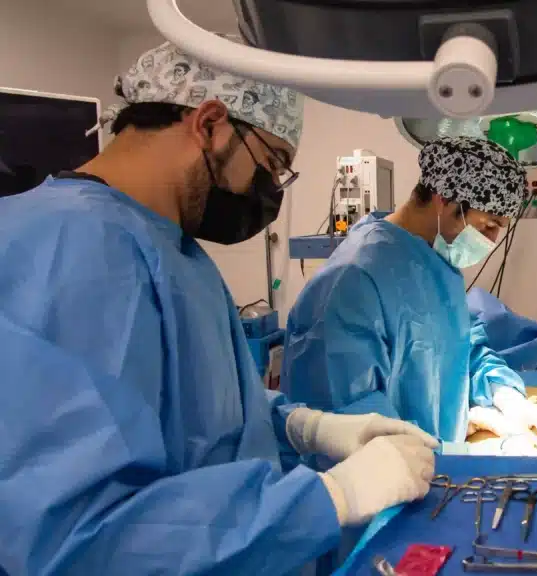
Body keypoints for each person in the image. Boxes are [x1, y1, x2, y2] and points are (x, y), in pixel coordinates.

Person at [0, 42, 438, 575]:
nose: (270, 190)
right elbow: (78, 542)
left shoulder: (173, 249)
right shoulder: (69, 248)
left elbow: (204, 420)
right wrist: (330, 497)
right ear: (209, 123)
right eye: (272, 164)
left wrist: (306, 428)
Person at [282, 136, 537, 448]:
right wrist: (438, 449)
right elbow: (346, 423)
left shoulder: (437, 264)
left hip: (430, 467)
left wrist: (506, 397)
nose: (491, 241)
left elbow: (464, 349)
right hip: (380, 482)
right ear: (444, 199)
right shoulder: (352, 280)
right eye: (488, 225)